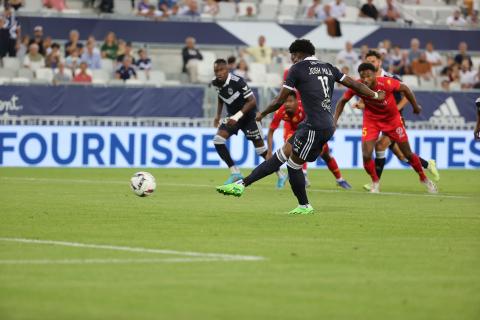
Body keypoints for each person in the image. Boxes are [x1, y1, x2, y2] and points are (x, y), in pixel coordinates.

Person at [216, 39, 385, 215]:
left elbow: (280, 99)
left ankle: (304, 206)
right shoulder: (328, 67)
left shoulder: (296, 69)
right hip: (319, 124)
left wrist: (263, 113)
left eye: (292, 56)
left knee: (293, 165)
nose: (292, 60)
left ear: (297, 54)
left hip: (314, 127)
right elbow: (354, 84)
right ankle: (242, 184)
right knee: (279, 157)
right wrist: (374, 95)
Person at [334, 63, 437, 194]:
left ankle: (424, 179)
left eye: (368, 76)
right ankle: (375, 182)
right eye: (362, 76)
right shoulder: (357, 85)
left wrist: (415, 107)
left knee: (407, 154)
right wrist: (334, 121)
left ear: (375, 75)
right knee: (366, 155)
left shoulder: (387, 83)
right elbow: (342, 101)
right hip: (372, 121)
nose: (365, 79)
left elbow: (406, 89)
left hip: (392, 121)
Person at [359, 50, 439, 189]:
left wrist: (394, 108)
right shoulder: (366, 80)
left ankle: (375, 183)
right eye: (368, 62)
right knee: (402, 156)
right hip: (378, 121)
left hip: (394, 120)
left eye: (373, 61)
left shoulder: (391, 77)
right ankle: (427, 164)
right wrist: (361, 105)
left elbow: (407, 94)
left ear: (379, 62)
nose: (370, 64)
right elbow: (365, 100)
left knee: (380, 146)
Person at [211, 59, 286, 185]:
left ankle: (281, 174)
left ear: (227, 69)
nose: (219, 73)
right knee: (218, 140)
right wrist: (218, 115)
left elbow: (252, 101)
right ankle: (235, 172)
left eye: (221, 70)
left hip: (249, 117)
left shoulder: (238, 81)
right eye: (216, 71)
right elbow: (221, 97)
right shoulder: (216, 83)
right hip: (233, 117)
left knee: (261, 150)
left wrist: (238, 115)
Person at [267, 90, 352, 189]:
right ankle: (303, 175)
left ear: (296, 101)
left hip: (310, 128)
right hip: (291, 129)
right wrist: (269, 151)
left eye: (290, 101)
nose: (287, 104)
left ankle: (340, 179)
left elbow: (318, 119)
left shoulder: (304, 108)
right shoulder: (281, 111)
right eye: (285, 101)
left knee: (326, 154)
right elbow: (271, 131)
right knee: (294, 149)